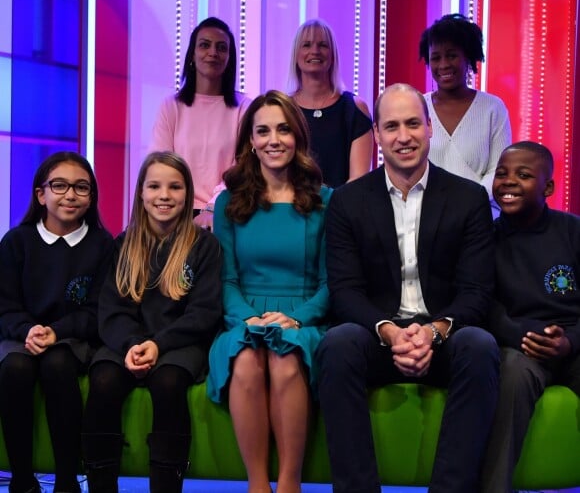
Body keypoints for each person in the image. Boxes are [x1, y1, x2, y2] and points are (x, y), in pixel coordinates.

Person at [317, 83, 500, 493]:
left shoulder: (468, 198)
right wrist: (390, 331)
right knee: (338, 344)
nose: (404, 136)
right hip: (378, 334)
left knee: (481, 346)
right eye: (392, 126)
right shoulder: (347, 201)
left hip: (445, 334)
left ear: (430, 127)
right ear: (377, 136)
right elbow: (345, 290)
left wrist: (434, 332)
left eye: (413, 124)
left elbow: (476, 291)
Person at [207, 90, 332, 493]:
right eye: (263, 131)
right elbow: (227, 280)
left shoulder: (325, 201)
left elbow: (332, 283)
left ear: (298, 136)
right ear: (250, 141)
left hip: (304, 315)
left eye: (283, 129)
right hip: (243, 314)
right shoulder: (228, 203)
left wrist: (298, 318)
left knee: (285, 358)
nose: (273, 140)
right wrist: (248, 318)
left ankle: (290, 483)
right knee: (244, 361)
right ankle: (258, 485)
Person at [81, 152, 223, 493]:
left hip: (180, 344)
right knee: (102, 380)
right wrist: (132, 344)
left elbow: (204, 313)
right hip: (127, 344)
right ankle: (101, 485)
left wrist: (158, 345)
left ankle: (165, 485)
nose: (164, 195)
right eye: (155, 186)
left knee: (169, 383)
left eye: (175, 187)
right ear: (141, 194)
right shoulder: (122, 246)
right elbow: (111, 310)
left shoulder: (205, 246)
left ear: (187, 194)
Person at [0, 152, 113, 493]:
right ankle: (22, 479)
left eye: (81, 187)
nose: (70, 195)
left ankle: (67, 479)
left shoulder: (103, 245)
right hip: (22, 334)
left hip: (73, 336)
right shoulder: (16, 242)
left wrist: (57, 332)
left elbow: (98, 310)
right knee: (15, 369)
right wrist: (28, 331)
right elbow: (4, 305)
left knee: (58, 363)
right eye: (59, 185)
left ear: (91, 196)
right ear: (41, 194)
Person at [481, 141, 580, 493]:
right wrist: (522, 335)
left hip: (572, 343)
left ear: (548, 187)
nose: (508, 182)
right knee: (510, 373)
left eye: (523, 175)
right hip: (520, 344)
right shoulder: (485, 239)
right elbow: (484, 304)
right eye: (502, 174)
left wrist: (569, 342)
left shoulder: (572, 230)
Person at [150, 16, 252, 230]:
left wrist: (212, 208)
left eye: (221, 47)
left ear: (230, 58)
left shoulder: (245, 107)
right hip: (176, 212)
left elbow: (243, 168)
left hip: (226, 211)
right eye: (205, 45)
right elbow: (160, 165)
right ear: (192, 55)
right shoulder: (171, 106)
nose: (213, 53)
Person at [418, 13, 512, 217]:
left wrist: (466, 204)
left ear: (468, 57)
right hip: (425, 217)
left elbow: (498, 169)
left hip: (481, 217)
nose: (443, 65)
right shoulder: (417, 106)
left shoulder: (493, 108)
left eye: (451, 55)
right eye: (436, 58)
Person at [288, 18, 373, 188]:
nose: (315, 51)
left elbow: (357, 181)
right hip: (291, 210)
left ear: (333, 55)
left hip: (341, 211)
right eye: (306, 45)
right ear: (296, 55)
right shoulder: (282, 110)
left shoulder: (355, 109)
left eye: (323, 45)